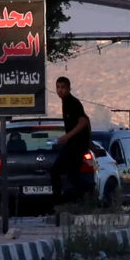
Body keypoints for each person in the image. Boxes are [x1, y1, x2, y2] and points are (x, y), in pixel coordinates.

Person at [51, 76, 93, 207]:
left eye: (63, 87)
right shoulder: (65, 102)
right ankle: (81, 200)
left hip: (76, 145)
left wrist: (67, 137)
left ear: (69, 88)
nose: (60, 90)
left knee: (56, 171)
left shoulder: (72, 102)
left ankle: (58, 202)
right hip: (75, 144)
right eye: (58, 87)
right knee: (72, 174)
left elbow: (83, 121)